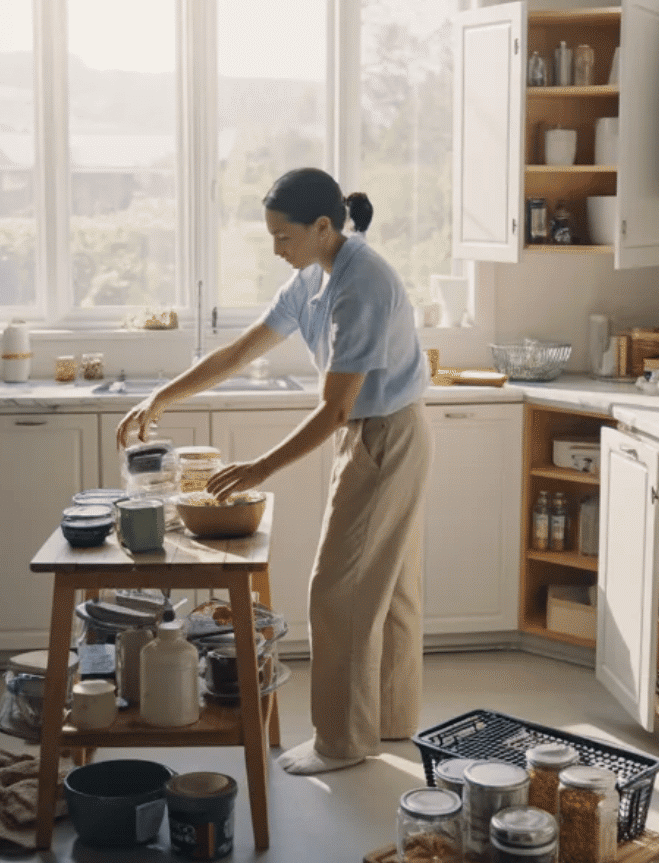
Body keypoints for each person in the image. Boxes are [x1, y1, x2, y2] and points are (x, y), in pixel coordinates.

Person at [116, 168, 432, 775]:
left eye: (283, 237)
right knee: (388, 587)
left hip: (387, 435)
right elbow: (242, 350)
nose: (276, 249)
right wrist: (164, 397)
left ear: (321, 227)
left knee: (337, 589)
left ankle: (342, 743)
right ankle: (390, 721)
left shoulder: (360, 283)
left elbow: (337, 409)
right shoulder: (315, 275)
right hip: (387, 431)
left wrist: (259, 467)